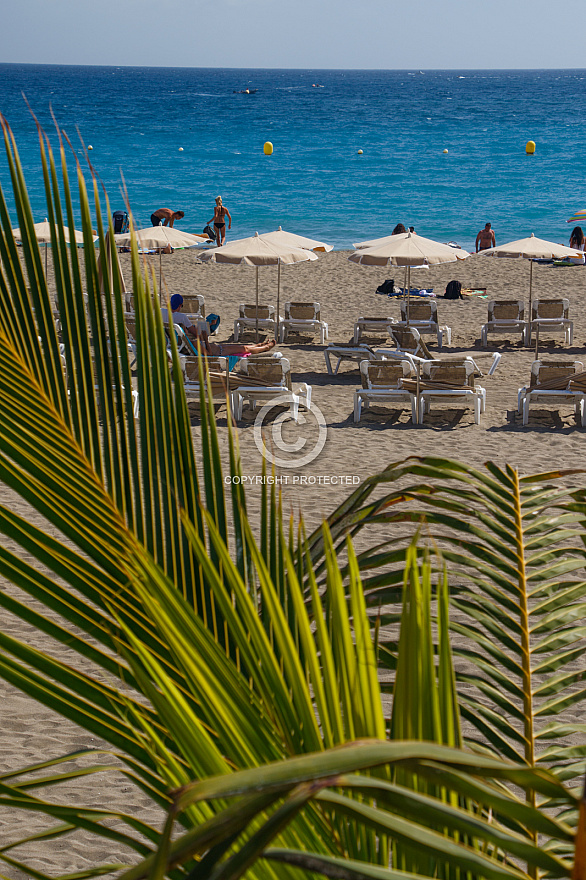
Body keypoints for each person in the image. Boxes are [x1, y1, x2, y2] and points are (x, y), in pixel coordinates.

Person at [162, 295, 276, 356]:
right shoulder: (182, 319)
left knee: (243, 347)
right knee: (243, 348)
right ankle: (265, 347)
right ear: (180, 305)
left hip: (213, 347)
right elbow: (205, 348)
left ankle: (259, 344)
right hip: (217, 351)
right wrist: (206, 337)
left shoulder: (161, 313)